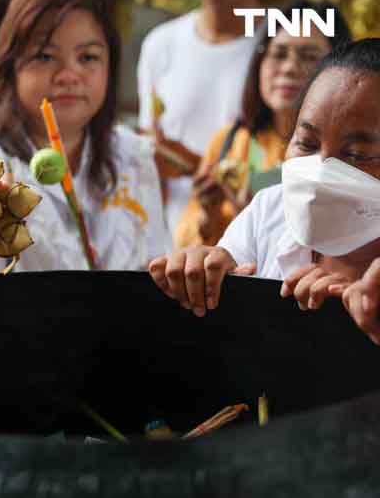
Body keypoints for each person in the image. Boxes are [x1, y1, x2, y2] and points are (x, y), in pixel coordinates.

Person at [0, 0, 169, 276]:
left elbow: (154, 266)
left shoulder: (134, 154)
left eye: (88, 57)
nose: (69, 75)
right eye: (44, 56)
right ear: (11, 66)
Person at [148, 38, 380, 347]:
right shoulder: (269, 212)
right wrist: (197, 278)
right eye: (307, 144)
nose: (320, 169)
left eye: (356, 153)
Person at [174, 1, 352, 249]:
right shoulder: (231, 142)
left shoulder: (348, 153)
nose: (289, 68)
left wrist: (260, 218)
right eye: (278, 54)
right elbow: (185, 249)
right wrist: (208, 216)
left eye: (309, 56)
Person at [137, 0, 265, 243]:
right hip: (175, 243)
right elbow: (151, 154)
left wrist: (196, 165)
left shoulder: (283, 47)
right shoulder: (160, 44)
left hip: (254, 245)